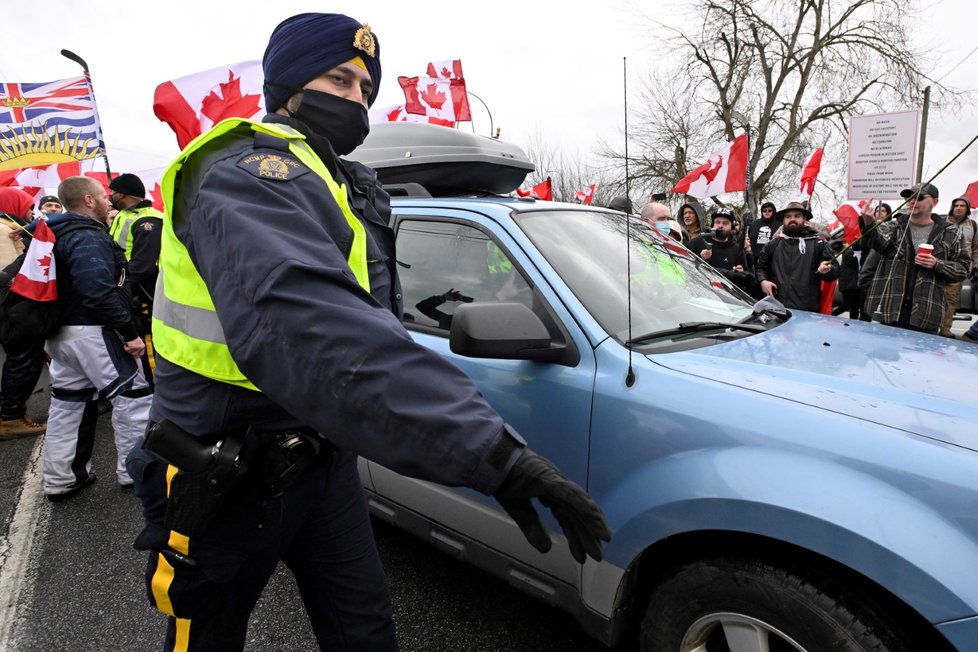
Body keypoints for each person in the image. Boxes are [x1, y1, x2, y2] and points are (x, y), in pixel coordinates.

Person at [126, 13, 610, 652]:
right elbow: (316, 330)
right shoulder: (242, 174)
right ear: (290, 85)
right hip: (223, 465)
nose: (356, 99)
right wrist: (490, 452)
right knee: (205, 635)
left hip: (322, 460)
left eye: (365, 88)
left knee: (366, 629)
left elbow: (379, 325)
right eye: (339, 78)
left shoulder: (347, 182)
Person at [42, 176, 152, 499]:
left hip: (61, 336)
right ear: (88, 201)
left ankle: (62, 478)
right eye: (103, 196)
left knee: (68, 405)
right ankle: (136, 473)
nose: (108, 202)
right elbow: (97, 290)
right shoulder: (85, 237)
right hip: (93, 332)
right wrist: (129, 333)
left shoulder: (54, 234)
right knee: (135, 398)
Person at [860, 183, 970, 333]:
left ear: (935, 202)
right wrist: (868, 223)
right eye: (909, 197)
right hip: (889, 309)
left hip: (927, 313)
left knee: (921, 356)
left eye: (919, 198)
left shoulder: (951, 233)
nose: (912, 201)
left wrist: (937, 264)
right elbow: (876, 242)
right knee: (881, 356)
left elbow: (963, 269)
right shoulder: (892, 227)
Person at [0, 188, 47, 439]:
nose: (32, 212)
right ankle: (11, 418)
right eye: (29, 207)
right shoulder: (5, 231)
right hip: (12, 309)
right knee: (22, 358)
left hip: (9, 308)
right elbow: (12, 274)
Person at [107, 173, 163, 370]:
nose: (109, 196)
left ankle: (153, 389)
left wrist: (122, 288)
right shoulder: (124, 215)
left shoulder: (149, 219)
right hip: (127, 289)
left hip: (142, 292)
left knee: (147, 341)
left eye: (112, 192)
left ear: (122, 194)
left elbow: (142, 266)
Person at [755, 201, 839, 311]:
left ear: (805, 219)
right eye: (788, 216)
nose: (792, 219)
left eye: (797, 216)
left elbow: (835, 271)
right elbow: (760, 267)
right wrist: (763, 281)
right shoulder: (773, 244)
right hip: (778, 309)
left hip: (808, 311)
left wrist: (827, 270)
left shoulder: (818, 244)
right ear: (783, 220)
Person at [688, 207, 758, 296]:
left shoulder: (736, 249)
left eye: (725, 223)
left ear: (732, 227)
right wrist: (699, 257)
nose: (720, 225)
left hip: (725, 298)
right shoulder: (699, 241)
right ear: (712, 224)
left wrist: (739, 272)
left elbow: (745, 275)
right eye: (717, 222)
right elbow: (682, 261)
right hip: (699, 294)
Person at [938, 196, 978, 337]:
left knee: (951, 298)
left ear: (967, 208)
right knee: (935, 295)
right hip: (940, 265)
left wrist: (975, 265)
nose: (959, 208)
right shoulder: (942, 223)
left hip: (960, 267)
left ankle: (945, 328)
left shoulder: (972, 224)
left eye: (962, 205)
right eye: (956, 205)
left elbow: (975, 247)